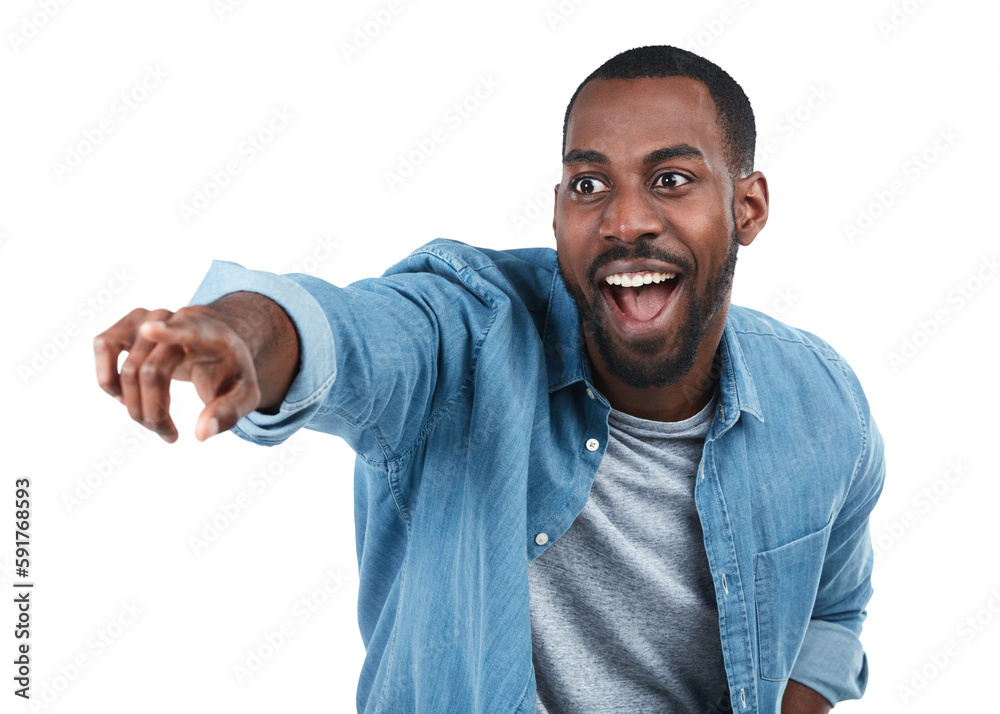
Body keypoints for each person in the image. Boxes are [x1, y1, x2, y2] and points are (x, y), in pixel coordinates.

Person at [93, 45, 885, 714]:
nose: (624, 220)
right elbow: (357, 334)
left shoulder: (823, 405)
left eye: (671, 179)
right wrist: (241, 332)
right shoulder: (469, 335)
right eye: (589, 183)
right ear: (555, 213)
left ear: (747, 207)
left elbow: (830, 616)